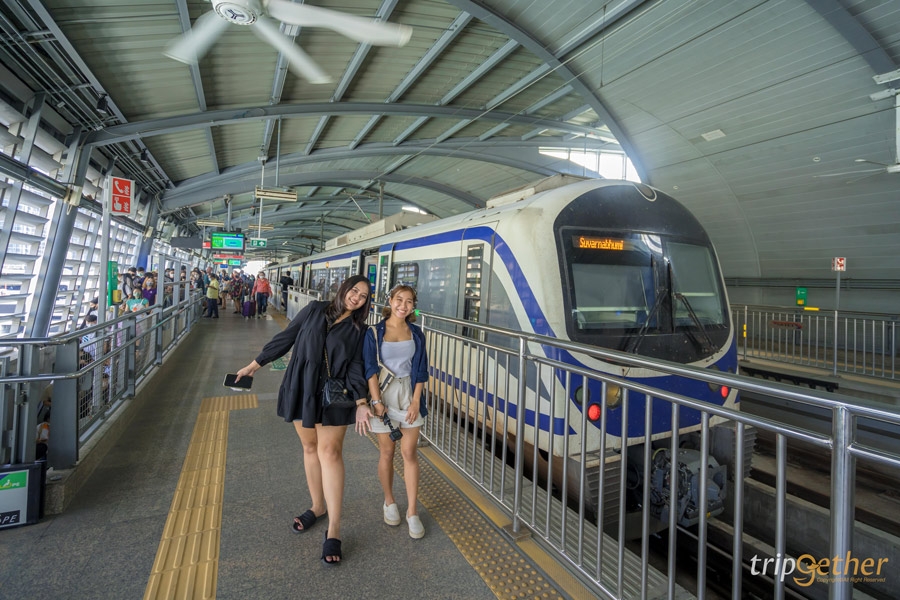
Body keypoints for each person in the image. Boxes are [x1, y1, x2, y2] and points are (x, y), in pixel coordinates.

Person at [234, 276, 372, 566]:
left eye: (363, 296)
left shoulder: (360, 329)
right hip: (301, 386)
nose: (356, 298)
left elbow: (357, 366)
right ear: (344, 288)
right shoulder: (315, 309)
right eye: (354, 291)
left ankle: (334, 528)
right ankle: (318, 506)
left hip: (334, 394)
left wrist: (362, 402)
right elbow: (287, 338)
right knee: (309, 447)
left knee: (330, 453)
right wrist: (254, 365)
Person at [359, 284, 429, 539]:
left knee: (409, 453)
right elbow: (369, 369)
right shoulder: (373, 332)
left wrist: (416, 402)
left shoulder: (417, 333)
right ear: (390, 301)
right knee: (387, 452)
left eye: (409, 301)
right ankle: (389, 501)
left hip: (409, 394)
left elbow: (421, 370)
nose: (403, 305)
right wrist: (376, 402)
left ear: (413, 306)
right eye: (399, 299)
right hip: (384, 395)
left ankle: (412, 512)